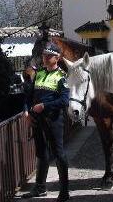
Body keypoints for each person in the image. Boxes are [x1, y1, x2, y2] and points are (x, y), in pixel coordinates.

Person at [22, 41, 70, 201]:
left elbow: (64, 101)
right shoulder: (39, 73)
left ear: (57, 58)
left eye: (49, 56)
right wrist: (27, 112)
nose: (45, 58)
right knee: (41, 153)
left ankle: (64, 192)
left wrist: (44, 105)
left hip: (54, 121)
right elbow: (29, 95)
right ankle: (40, 188)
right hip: (37, 120)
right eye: (44, 55)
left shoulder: (62, 77)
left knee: (59, 154)